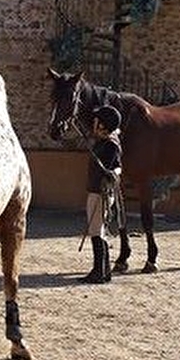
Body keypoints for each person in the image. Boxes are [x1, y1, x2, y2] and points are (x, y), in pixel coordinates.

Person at [81, 105, 123, 283]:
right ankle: (103, 271)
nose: (94, 123)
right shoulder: (103, 142)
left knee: (97, 231)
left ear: (103, 125)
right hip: (96, 191)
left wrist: (110, 172)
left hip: (100, 193)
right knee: (99, 230)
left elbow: (114, 167)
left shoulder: (110, 145)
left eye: (97, 121)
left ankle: (99, 271)